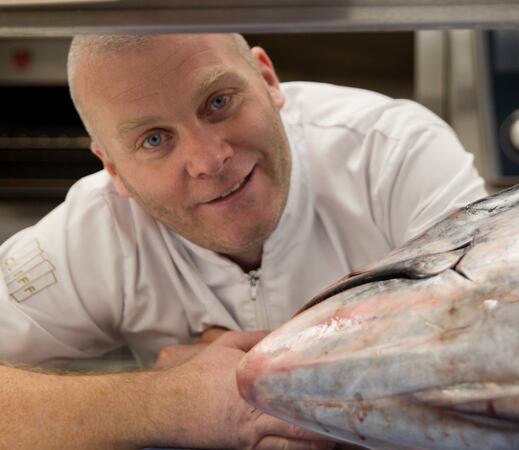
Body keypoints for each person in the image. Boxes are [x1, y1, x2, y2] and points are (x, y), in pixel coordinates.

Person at [0, 33, 487, 448]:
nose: (210, 160)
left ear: (267, 80)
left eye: (218, 102)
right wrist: (168, 400)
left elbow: (496, 340)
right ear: (113, 169)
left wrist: (266, 378)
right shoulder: (98, 230)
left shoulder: (394, 154)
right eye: (154, 139)